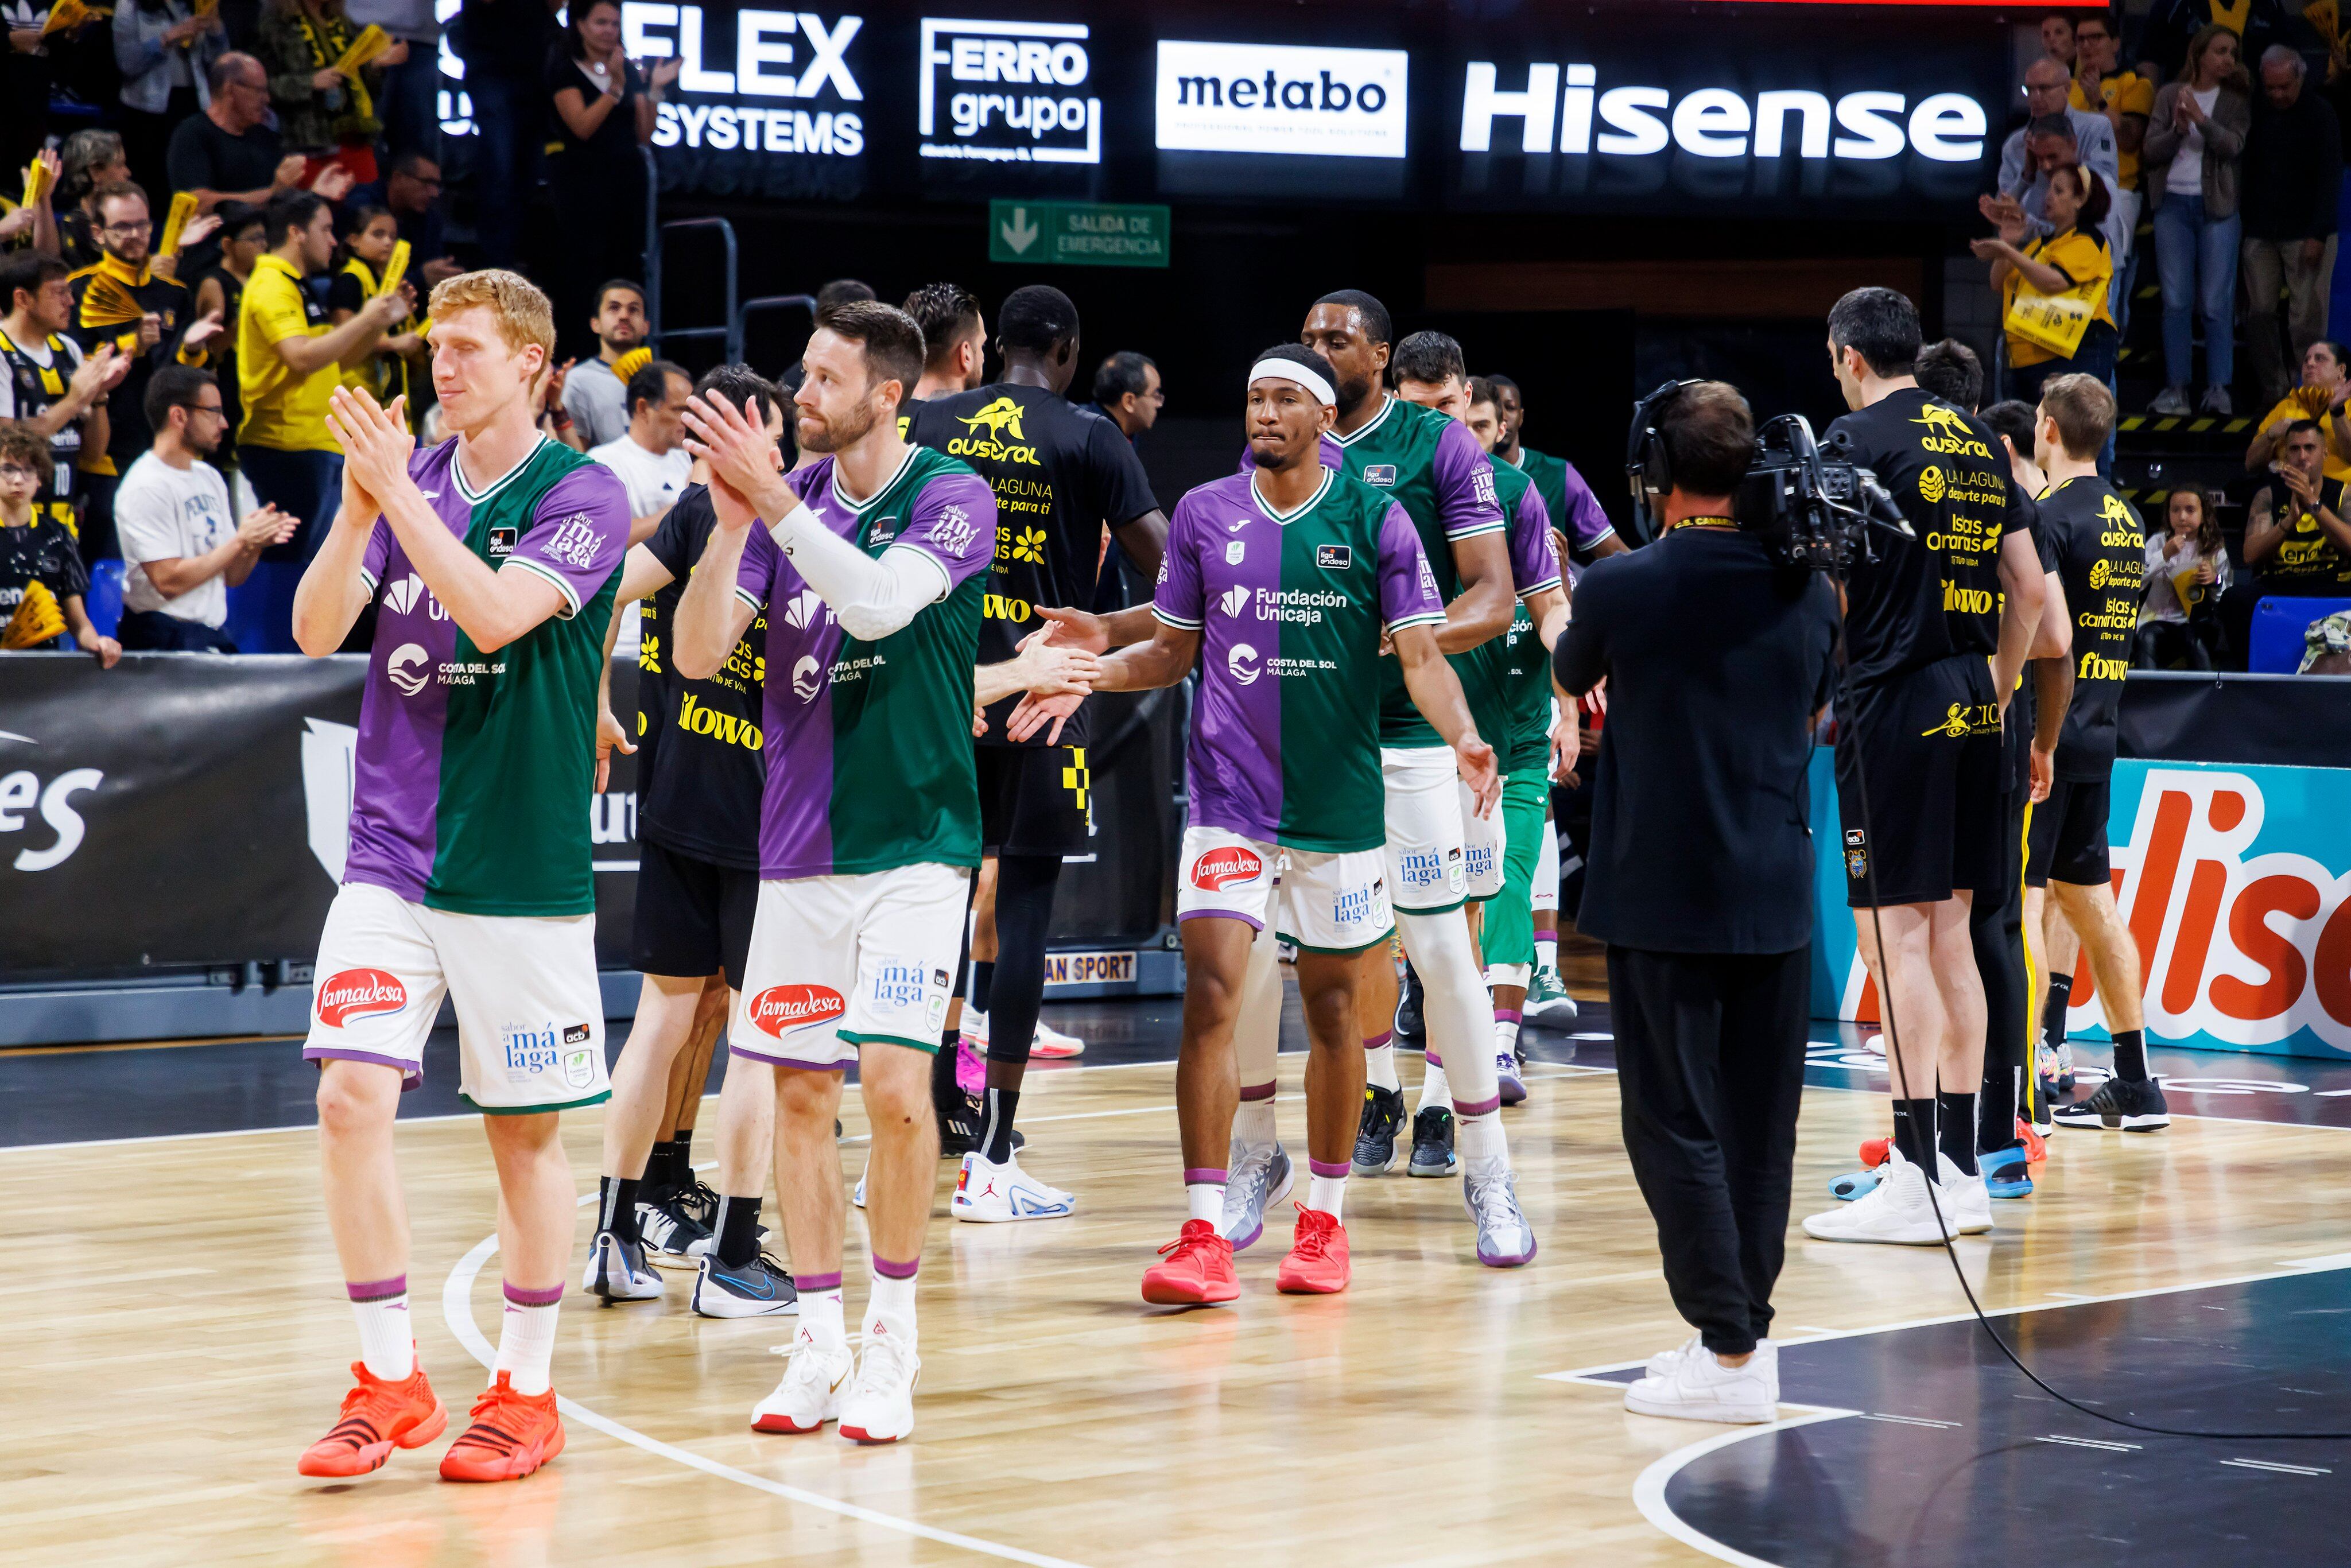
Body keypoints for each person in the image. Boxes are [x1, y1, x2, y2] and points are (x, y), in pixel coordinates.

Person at [668, 301, 1080, 1443]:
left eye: (823, 379)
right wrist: (722, 523)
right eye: (803, 375)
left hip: (914, 846)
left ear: (887, 393)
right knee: (799, 1093)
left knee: (895, 1087)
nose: (800, 397)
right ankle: (816, 1341)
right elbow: (701, 654)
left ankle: (891, 1341)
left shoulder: (950, 493)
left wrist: (778, 502)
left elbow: (878, 604)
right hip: (797, 850)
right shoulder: (770, 511)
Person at [287, 267, 630, 1482]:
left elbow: (491, 613)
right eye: (437, 347)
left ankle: (525, 1393)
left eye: (471, 349)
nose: (444, 367)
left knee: (524, 1139)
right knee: (346, 1100)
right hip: (389, 853)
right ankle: (387, 1378)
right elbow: (317, 631)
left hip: (517, 868)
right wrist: (350, 512)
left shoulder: (586, 494)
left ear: (534, 364)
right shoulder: (406, 481)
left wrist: (397, 498)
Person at [1066, 343, 1482, 1303]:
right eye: (1253, 397)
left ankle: (1324, 1219)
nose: (1262, 413)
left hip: (1338, 809)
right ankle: (1204, 1232)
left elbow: (1419, 656)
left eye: (1283, 398)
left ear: (1323, 418)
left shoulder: (1375, 517)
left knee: (1336, 1012)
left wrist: (1462, 733)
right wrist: (1094, 668)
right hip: (1227, 803)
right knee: (1211, 993)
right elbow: (1171, 651)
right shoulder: (1206, 516)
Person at [1554, 381, 1838, 1424]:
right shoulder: (1807, 588)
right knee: (1762, 1127)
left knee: (1674, 1123)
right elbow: (1813, 703)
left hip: (1665, 892)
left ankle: (1727, 1350)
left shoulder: (1624, 585)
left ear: (1657, 474)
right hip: (1772, 886)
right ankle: (1742, 1338)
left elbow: (1568, 668)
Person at [905, 284, 1169, 1216]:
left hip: (937, 693)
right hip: (1045, 695)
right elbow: (1178, 570)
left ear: (990, 348)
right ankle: (992, 1159)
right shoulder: (1092, 436)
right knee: (1022, 910)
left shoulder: (921, 419)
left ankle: (913, 1130)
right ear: (1065, 349)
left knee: (922, 908)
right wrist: (1099, 638)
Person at [1799, 287, 2043, 1248]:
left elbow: (1823, 591)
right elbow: (2029, 587)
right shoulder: (1981, 440)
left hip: (1892, 700)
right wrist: (1996, 678)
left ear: (1848, 356)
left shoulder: (1852, 439)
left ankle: (1912, 1172)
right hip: (1975, 698)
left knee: (1893, 937)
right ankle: (1961, 1172)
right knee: (1951, 936)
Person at [584, 364, 794, 1317]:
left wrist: (594, 701)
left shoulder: (686, 517)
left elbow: (594, 594)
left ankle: (613, 1235)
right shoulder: (802, 535)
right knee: (757, 1040)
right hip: (769, 825)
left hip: (676, 801)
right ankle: (736, 1256)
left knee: (660, 1022)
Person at [1387, 336, 1566, 1139]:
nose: (1437, 425)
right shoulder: (1371, 490)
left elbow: (1557, 603)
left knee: (1499, 892)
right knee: (1405, 927)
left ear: (1477, 410)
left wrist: (1577, 681)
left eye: (1450, 408)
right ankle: (1390, 1077)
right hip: (1407, 740)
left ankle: (1490, 1053)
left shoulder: (1522, 493)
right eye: (1417, 411)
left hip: (1513, 740)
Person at [2022, 375, 2166, 1135]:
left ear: (2047, 428)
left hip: (2049, 735)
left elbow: (2049, 639)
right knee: (2089, 899)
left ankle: (2024, 1092)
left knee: (2024, 900)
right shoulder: (2125, 515)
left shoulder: (2046, 517)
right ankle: (2135, 1081)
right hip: (2102, 730)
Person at [238, 191, 410, 560]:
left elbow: (335, 363)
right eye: (326, 229)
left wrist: (378, 321)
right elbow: (300, 358)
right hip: (285, 447)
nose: (333, 241)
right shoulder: (272, 284)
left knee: (310, 566)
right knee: (289, 571)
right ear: (298, 233)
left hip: (315, 443)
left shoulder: (299, 285)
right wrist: (367, 316)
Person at [69, 180, 228, 549]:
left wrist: (191, 349)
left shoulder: (174, 292)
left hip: (162, 450)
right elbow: (73, 366)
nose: (135, 235)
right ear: (98, 232)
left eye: (141, 225)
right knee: (106, 563)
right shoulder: (79, 290)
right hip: (104, 454)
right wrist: (130, 345)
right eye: (122, 227)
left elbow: (178, 376)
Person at [114, 362, 293, 649]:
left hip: (209, 633)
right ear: (179, 416)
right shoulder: (146, 485)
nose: (224, 423)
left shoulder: (209, 477)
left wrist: (255, 544)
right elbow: (168, 581)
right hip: (162, 638)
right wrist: (241, 541)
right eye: (214, 412)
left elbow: (232, 577)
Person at [545, 0, 673, 348]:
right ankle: (579, 349)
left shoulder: (626, 69)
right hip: (581, 185)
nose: (609, 31)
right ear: (582, 25)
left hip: (626, 184)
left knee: (626, 266)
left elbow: (644, 135)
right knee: (585, 271)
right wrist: (614, 87)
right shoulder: (565, 69)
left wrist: (655, 91)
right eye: (601, 22)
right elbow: (582, 126)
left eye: (615, 24)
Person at [2145, 24, 2252, 417]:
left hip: (2218, 209)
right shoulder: (2170, 94)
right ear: (2200, 54)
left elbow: (2233, 146)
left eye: (2233, 53)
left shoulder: (2236, 100)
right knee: (2175, 300)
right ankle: (2177, 389)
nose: (2227, 59)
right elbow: (2151, 151)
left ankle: (2218, 388)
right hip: (2173, 204)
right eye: (2221, 51)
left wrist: (2201, 122)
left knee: (2216, 302)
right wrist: (2178, 127)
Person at [2239, 46, 2343, 409]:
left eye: (2285, 87)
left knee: (2306, 319)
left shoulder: (2321, 114)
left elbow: (2330, 178)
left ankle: (2308, 392)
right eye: (2271, 88)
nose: (2278, 95)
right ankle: (2276, 387)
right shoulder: (2259, 111)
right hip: (2262, 230)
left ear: (2300, 78)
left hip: (2307, 231)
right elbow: (2248, 170)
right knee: (2259, 313)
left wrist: (2319, 232)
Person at [0, 250, 126, 546]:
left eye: (70, 292)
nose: (71, 301)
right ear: (23, 299)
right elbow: (6, 442)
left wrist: (99, 395)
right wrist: (73, 401)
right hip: (10, 523)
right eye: (59, 293)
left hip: (62, 524)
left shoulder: (68, 349)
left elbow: (93, 454)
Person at [1977, 162, 2119, 399]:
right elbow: (1997, 282)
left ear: (2080, 200)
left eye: (2059, 191)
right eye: (2050, 189)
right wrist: (2009, 241)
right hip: (2027, 360)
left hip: (2073, 358)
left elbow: (2053, 282)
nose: (2049, 196)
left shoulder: (2089, 241)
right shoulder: (2037, 246)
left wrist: (2007, 251)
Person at [2220, 420, 2351, 657]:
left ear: (2325, 453)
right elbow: (2250, 555)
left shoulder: (2345, 494)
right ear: (2286, 456)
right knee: (2234, 599)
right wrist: (2290, 520)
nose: (2302, 457)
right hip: (2280, 583)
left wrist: (2313, 505)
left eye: (2310, 448)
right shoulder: (2268, 496)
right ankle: (2247, 680)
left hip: (2332, 584)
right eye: (2294, 449)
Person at [168, 53, 354, 216]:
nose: (267, 98)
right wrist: (273, 193)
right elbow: (196, 204)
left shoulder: (264, 136)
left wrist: (317, 192)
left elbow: (282, 201)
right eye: (259, 90)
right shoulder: (193, 134)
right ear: (230, 90)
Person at [0, 424, 118, 665]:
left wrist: (98, 642)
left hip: (42, 671)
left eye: (29, 470)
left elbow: (78, 623)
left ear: (40, 480)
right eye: (8, 470)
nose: (18, 480)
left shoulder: (58, 536)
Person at [457, 0, 560, 270]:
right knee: (499, 168)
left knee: (527, 174)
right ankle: (493, 262)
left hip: (535, 72)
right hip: (492, 66)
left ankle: (511, 257)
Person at [1486, 372, 1625, 565]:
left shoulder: (1559, 474)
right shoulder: (1461, 476)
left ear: (1521, 417)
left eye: (1510, 408)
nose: (1503, 416)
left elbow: (1614, 552)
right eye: (1495, 408)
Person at [114, 0, 228, 205]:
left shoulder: (195, 4)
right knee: (155, 189)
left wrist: (216, 30)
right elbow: (128, 63)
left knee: (190, 184)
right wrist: (169, 37)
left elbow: (222, 65)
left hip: (193, 103)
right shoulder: (129, 6)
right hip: (147, 112)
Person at [327, 204, 427, 416]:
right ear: (353, 240)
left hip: (383, 392)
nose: (388, 242)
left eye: (393, 236)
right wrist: (393, 343)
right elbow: (342, 338)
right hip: (352, 390)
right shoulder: (349, 280)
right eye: (378, 234)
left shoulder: (392, 283)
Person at [587, 357, 691, 548]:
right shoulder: (603, 462)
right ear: (643, 408)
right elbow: (604, 537)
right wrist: (684, 508)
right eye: (679, 410)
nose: (688, 419)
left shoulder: (687, 458)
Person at [191, 200, 264, 469]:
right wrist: (246, 315)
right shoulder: (215, 282)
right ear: (227, 245)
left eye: (264, 238)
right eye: (254, 239)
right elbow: (213, 347)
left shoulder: (261, 279)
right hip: (227, 380)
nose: (263, 245)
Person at [1998, 56, 2123, 201]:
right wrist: (2027, 176)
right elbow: (2002, 207)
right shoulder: (2016, 143)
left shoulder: (2095, 127)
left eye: (2044, 89)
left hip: (2083, 219)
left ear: (2067, 89)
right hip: (2032, 222)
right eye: (2029, 90)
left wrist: (2066, 163)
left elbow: (2107, 186)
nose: (2035, 98)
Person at [2136, 485, 2231, 668]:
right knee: (2147, 637)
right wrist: (2163, 555)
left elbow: (2226, 594)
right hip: (2157, 619)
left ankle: (2205, 693)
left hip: (2196, 622)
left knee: (2194, 639)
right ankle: (2147, 691)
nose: (2182, 517)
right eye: (2176, 510)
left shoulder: (2214, 548)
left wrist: (2215, 580)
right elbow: (2136, 579)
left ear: (2204, 514)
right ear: (2168, 513)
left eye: (2190, 510)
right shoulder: (2158, 542)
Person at [560, 280, 647, 449]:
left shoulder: (663, 381)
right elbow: (575, 456)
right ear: (595, 324)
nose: (624, 316)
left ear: (646, 326)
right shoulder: (578, 380)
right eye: (614, 308)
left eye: (633, 309)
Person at [2246, 339, 2351, 478]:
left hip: (2340, 492)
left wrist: (2337, 411)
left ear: (2341, 370)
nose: (2310, 364)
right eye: (2306, 360)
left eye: (2320, 359)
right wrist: (2270, 435)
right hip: (2288, 490)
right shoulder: (2286, 406)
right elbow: (2251, 465)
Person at [378, 150, 461, 286]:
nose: (434, 193)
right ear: (398, 178)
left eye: (437, 186)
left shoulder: (431, 219)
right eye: (427, 182)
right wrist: (420, 278)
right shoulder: (365, 208)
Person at [55, 130, 131, 273]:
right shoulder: (74, 229)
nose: (128, 173)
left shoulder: (130, 219)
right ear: (95, 172)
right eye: (120, 165)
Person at [902, 282, 984, 402]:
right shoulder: (991, 417)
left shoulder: (879, 415)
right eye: (982, 346)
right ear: (966, 355)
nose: (983, 358)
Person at [1092, 350, 1162, 439]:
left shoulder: (1129, 433)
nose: (1159, 404)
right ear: (1129, 402)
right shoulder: (1087, 435)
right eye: (1155, 396)